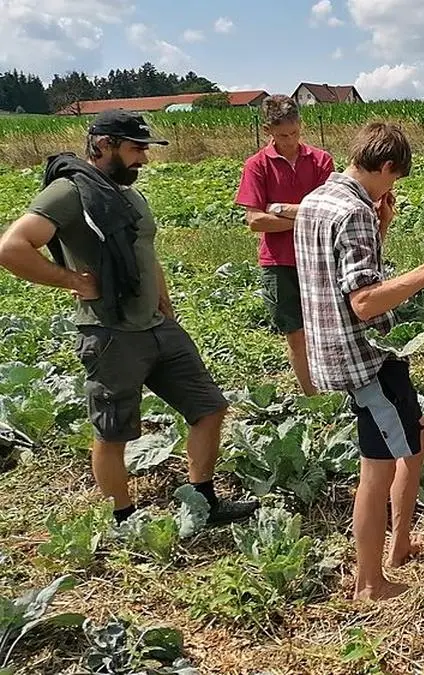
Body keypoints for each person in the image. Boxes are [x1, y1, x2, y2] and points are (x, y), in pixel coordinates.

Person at [0, 109, 258, 527]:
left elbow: (146, 251)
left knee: (209, 408)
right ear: (103, 145)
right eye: (136, 148)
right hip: (110, 333)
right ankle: (124, 520)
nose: (144, 157)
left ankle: (205, 501)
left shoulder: (128, 194)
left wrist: (166, 304)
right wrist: (71, 279)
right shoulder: (69, 192)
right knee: (113, 431)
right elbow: (11, 248)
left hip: (157, 327)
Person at [292, 121, 424, 601]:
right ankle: (369, 581)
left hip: (332, 347)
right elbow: (365, 302)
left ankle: (401, 542)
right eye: (394, 178)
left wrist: (382, 228)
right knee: (379, 467)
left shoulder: (316, 201)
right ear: (386, 166)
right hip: (365, 358)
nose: (391, 189)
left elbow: (339, 275)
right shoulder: (352, 212)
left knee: (417, 438)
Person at [235, 94, 334, 396]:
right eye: (282, 135)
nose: (290, 140)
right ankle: (313, 398)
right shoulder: (257, 166)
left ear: (301, 125)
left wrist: (278, 209)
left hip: (317, 257)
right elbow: (254, 221)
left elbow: (329, 211)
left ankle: (334, 386)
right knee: (296, 334)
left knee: (327, 329)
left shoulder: (321, 160)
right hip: (279, 262)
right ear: (268, 131)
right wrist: (304, 218)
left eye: (294, 133)